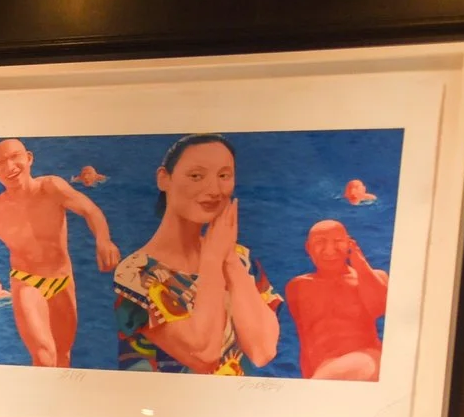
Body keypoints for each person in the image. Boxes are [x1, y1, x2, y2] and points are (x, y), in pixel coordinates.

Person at [113, 133, 281, 375]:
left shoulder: (240, 258)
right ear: (164, 179)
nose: (214, 190)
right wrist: (212, 261)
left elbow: (263, 351)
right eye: (196, 176)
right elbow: (203, 355)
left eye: (224, 176)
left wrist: (229, 259)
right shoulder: (135, 273)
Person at [0, 137, 120, 366]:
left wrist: (104, 240)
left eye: (15, 157)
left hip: (62, 279)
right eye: (1, 163)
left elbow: (90, 210)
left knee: (63, 356)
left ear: (29, 158)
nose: (10, 167)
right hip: (26, 281)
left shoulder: (51, 187)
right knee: (44, 356)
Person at [285, 219, 387, 380]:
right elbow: (307, 340)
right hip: (325, 373)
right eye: (320, 242)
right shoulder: (298, 286)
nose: (329, 250)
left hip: (367, 360)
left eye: (338, 241)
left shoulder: (373, 277)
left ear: (349, 244)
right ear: (308, 248)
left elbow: (379, 308)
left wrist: (359, 263)